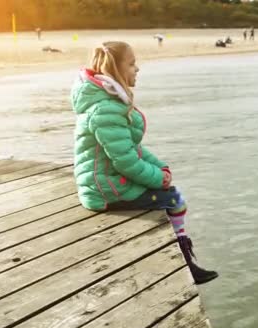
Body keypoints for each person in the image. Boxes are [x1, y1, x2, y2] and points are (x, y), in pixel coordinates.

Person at [70, 41, 219, 285]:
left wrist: (160, 167)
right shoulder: (105, 109)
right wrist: (158, 178)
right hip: (105, 191)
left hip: (107, 182)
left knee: (168, 192)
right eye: (131, 64)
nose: (137, 69)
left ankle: (185, 258)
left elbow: (132, 148)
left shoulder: (108, 103)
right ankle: (186, 263)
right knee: (173, 199)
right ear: (115, 71)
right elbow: (126, 162)